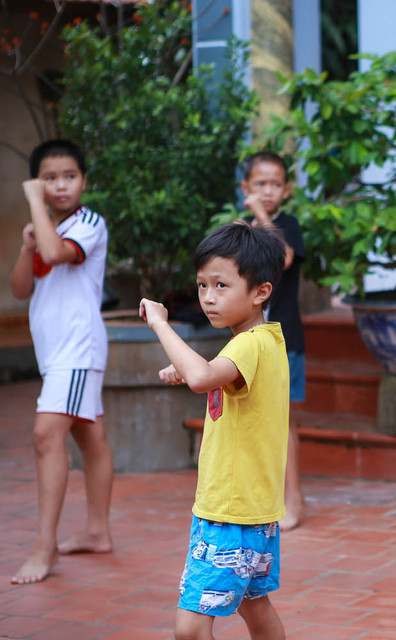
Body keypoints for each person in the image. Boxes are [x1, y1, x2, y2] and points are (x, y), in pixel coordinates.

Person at [140, 222, 288, 639]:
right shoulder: (266, 340)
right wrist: (189, 370)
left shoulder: (246, 345)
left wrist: (160, 324)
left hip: (228, 510)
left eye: (221, 285)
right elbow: (212, 375)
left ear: (260, 291)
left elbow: (204, 377)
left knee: (189, 627)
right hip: (256, 510)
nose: (208, 297)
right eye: (202, 285)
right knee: (255, 607)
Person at [10, 140, 115, 585]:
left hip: (77, 350)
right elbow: (20, 289)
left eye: (69, 176)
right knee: (91, 438)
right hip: (57, 355)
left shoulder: (88, 222)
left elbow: (55, 255)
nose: (59, 185)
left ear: (84, 181)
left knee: (44, 435)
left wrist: (33, 198)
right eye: (49, 178)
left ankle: (44, 547)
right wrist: (25, 245)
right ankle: (97, 531)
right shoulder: (45, 229)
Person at [241, 150, 307, 531]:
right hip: (250, 342)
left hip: (284, 339)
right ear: (245, 187)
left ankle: (293, 501)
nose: (268, 191)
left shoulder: (287, 224)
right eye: (260, 184)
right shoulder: (242, 229)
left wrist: (262, 218)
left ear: (287, 189)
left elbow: (282, 257)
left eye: (275, 184)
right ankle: (264, 501)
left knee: (284, 423)